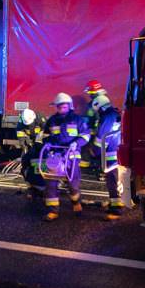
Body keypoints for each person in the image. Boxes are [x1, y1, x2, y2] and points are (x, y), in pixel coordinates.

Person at [42, 92, 89, 222]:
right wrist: (48, 144)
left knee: (73, 183)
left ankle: (76, 203)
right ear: (56, 107)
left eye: (64, 107)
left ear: (69, 106)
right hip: (55, 155)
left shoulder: (78, 120)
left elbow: (86, 135)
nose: (61, 109)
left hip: (72, 156)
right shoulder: (52, 120)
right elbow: (45, 137)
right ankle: (53, 211)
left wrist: (77, 143)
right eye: (59, 107)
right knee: (51, 183)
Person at [90, 92, 125, 220]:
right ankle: (114, 204)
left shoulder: (107, 117)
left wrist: (95, 151)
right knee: (115, 180)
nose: (98, 112)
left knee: (113, 181)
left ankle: (116, 209)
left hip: (111, 155)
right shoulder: (114, 113)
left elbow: (101, 137)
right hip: (116, 152)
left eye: (98, 110)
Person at [17, 109, 46, 198]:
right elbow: (20, 134)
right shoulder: (21, 121)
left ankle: (43, 187)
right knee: (25, 164)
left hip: (41, 144)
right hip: (31, 144)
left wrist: (41, 142)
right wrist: (24, 146)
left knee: (41, 164)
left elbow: (47, 131)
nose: (28, 126)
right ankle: (31, 187)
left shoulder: (40, 118)